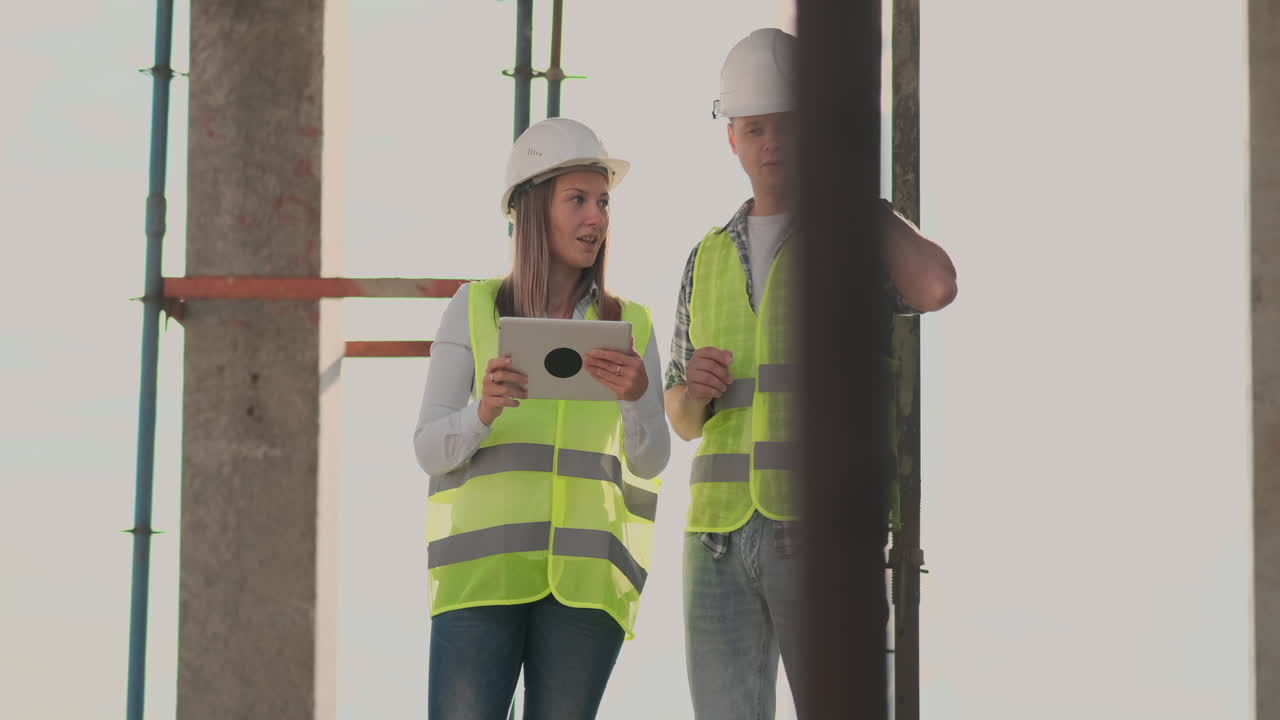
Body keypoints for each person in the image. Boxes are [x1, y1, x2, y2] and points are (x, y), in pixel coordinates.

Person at [664, 28, 959, 719]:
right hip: (716, 538)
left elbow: (936, 285)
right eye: (757, 129)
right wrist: (693, 394)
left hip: (820, 528)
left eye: (791, 129)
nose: (773, 145)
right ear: (731, 138)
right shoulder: (706, 256)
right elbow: (679, 419)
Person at [413, 117, 671, 720]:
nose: (596, 218)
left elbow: (652, 458)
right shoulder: (472, 308)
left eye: (602, 202)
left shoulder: (632, 324)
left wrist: (636, 395)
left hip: (584, 591)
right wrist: (481, 414)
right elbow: (427, 448)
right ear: (532, 210)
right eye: (577, 200)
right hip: (480, 580)